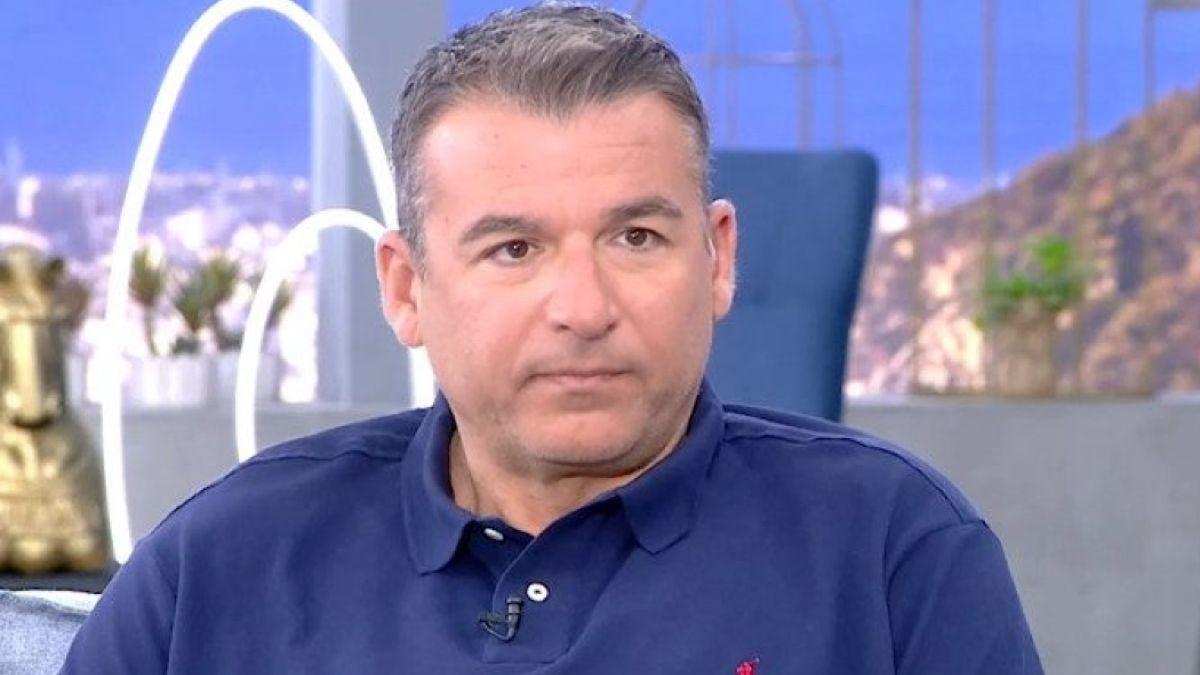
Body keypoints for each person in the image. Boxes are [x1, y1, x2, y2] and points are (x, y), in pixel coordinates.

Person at [62, 4, 1043, 673]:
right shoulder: (219, 568)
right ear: (406, 288)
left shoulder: (892, 552)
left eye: (636, 237)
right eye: (514, 249)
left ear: (718, 258)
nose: (582, 305)